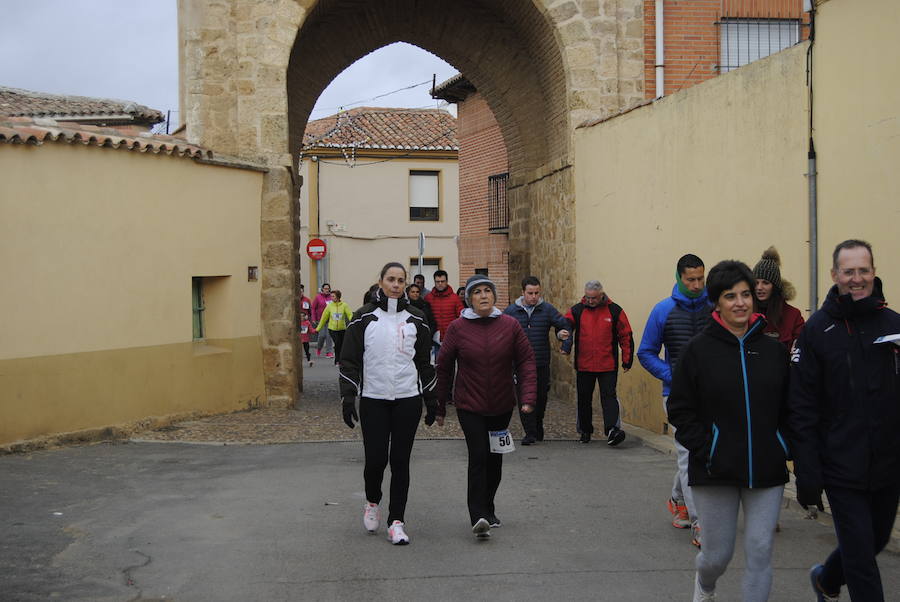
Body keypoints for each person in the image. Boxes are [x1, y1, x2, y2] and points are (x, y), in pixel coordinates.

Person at [667, 260, 790, 602]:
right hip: (714, 469)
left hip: (766, 469)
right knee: (716, 556)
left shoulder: (774, 351)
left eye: (746, 294)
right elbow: (680, 409)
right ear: (716, 302)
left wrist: (784, 444)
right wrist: (708, 448)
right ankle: (706, 585)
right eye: (730, 295)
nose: (740, 302)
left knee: (761, 550)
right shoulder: (698, 351)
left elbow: (790, 408)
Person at [788, 239, 900, 602]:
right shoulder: (817, 330)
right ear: (834, 275)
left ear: (874, 272)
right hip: (841, 465)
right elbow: (802, 406)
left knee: (876, 540)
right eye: (848, 271)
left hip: (887, 463)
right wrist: (807, 472)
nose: (857, 279)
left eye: (863, 270)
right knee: (862, 560)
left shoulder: (894, 324)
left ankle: (826, 580)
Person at [338, 262, 437, 545]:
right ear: (380, 281)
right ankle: (372, 501)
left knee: (401, 462)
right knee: (376, 460)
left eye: (400, 280)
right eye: (391, 279)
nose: (396, 285)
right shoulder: (363, 318)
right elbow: (349, 360)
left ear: (406, 284)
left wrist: (431, 399)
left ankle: (397, 521)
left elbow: (424, 362)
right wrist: (348, 397)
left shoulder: (417, 318)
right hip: (374, 399)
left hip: (407, 399)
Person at [435, 274, 536, 539]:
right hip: (470, 405)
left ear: (494, 296)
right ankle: (477, 514)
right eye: (477, 292)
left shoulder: (510, 325)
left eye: (487, 291)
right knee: (478, 457)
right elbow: (444, 367)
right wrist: (440, 407)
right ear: (469, 299)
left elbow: (526, 361)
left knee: (495, 460)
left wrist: (527, 397)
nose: (483, 295)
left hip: (501, 405)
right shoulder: (458, 328)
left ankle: (489, 506)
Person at [637, 253, 710, 546]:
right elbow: (646, 352)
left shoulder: (716, 306)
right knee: (688, 453)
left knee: (698, 451)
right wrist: (672, 376)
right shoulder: (662, 310)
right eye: (690, 279)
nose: (696, 284)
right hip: (677, 395)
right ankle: (700, 521)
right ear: (679, 277)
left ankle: (677, 499)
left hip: (712, 394)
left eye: (700, 278)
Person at [561, 280, 633, 446]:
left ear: (601, 295)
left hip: (607, 364)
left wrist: (627, 360)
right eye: (587, 297)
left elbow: (626, 334)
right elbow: (565, 326)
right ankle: (585, 431)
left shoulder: (615, 310)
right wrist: (565, 342)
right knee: (584, 399)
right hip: (584, 364)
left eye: (593, 298)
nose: (590, 301)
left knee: (609, 398)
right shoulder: (577, 310)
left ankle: (612, 430)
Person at [503, 276, 571, 445]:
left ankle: (538, 424)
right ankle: (530, 432)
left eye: (536, 293)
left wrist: (561, 336)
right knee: (524, 398)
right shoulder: (511, 312)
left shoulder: (546, 309)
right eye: (530, 293)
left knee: (540, 398)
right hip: (520, 364)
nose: (534, 296)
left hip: (541, 362)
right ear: (523, 293)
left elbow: (564, 325)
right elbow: (500, 332)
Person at [751, 247, 805, 351]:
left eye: (765, 283)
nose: (759, 287)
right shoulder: (745, 313)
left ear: (775, 287)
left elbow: (801, 349)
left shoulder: (793, 316)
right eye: (756, 282)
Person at [424, 269, 464, 357]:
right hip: (435, 339)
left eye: (442, 281)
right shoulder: (428, 298)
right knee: (438, 365)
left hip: (452, 338)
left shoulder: (455, 298)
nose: (440, 284)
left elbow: (461, 318)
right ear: (434, 282)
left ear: (447, 281)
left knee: (451, 365)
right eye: (437, 281)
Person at [316, 290, 353, 365]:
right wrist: (317, 329)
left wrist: (354, 323)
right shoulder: (329, 306)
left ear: (338, 297)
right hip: (332, 329)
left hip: (342, 329)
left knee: (341, 344)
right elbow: (324, 318)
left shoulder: (344, 305)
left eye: (333, 296)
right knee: (337, 343)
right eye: (331, 296)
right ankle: (337, 360)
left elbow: (350, 315)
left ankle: (341, 359)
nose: (331, 298)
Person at [311, 283, 334, 358]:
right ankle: (319, 348)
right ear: (322, 289)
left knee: (328, 336)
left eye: (328, 289)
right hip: (320, 320)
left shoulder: (331, 297)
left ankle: (329, 352)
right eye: (325, 289)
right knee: (322, 336)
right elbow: (313, 308)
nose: (327, 290)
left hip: (330, 319)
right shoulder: (318, 297)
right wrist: (313, 318)